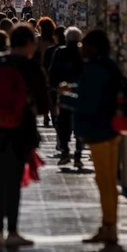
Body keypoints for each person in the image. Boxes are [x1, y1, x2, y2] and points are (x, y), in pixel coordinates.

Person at [0, 24, 48, 247]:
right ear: (29, 44)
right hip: (20, 127)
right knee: (14, 177)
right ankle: (14, 230)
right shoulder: (31, 66)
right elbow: (44, 104)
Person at [60, 29, 121, 244]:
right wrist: (75, 88)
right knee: (108, 180)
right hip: (111, 128)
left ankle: (109, 225)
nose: (81, 50)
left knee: (104, 180)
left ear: (93, 48)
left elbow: (88, 101)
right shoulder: (108, 65)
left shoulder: (92, 69)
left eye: (84, 46)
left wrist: (66, 98)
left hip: (100, 129)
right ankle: (110, 224)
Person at [49, 27, 85, 168]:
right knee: (79, 124)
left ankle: (65, 152)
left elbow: (53, 72)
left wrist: (54, 87)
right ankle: (78, 154)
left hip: (63, 93)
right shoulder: (82, 53)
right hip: (80, 93)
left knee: (63, 123)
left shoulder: (60, 52)